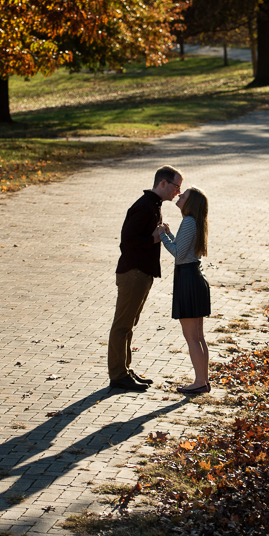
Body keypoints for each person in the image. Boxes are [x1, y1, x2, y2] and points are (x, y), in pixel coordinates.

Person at [107, 165, 184, 392]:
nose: (177, 192)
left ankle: (125, 370)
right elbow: (127, 240)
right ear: (162, 183)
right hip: (133, 273)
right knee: (122, 325)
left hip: (141, 273)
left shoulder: (153, 206)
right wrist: (153, 238)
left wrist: (158, 234)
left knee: (129, 324)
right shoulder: (144, 207)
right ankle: (117, 375)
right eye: (175, 186)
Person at [156, 187, 211, 395]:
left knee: (192, 337)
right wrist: (170, 234)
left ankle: (199, 382)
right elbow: (184, 247)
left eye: (184, 195)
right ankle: (203, 381)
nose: (179, 196)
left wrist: (162, 236)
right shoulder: (193, 222)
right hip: (194, 277)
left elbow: (178, 254)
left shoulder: (188, 221)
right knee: (198, 336)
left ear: (191, 203)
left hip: (188, 279)